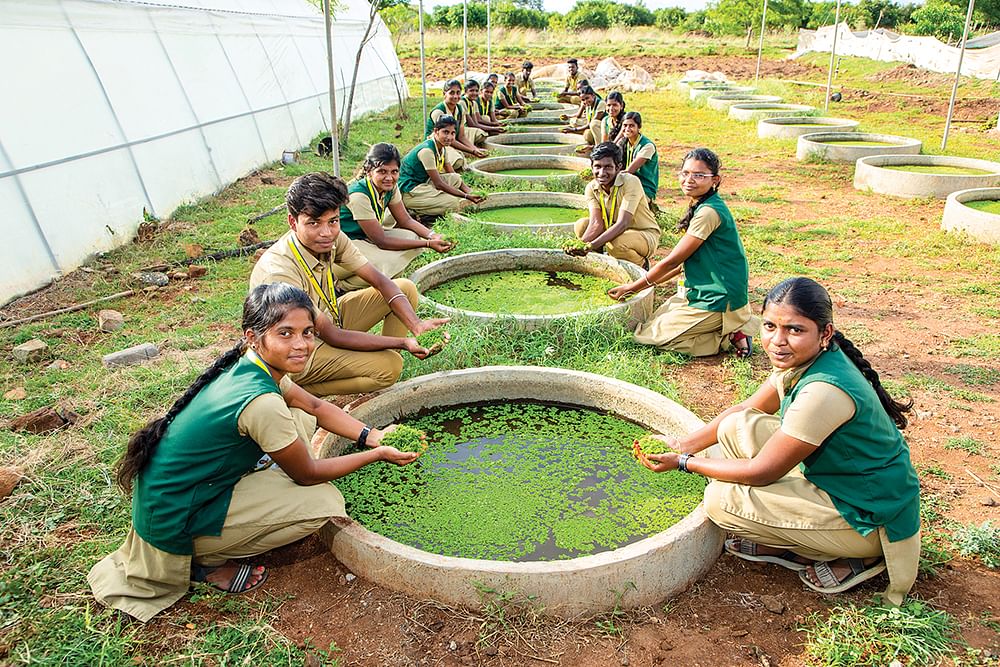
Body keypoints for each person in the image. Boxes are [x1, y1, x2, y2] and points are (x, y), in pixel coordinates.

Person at [88, 283, 422, 622]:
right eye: (285, 333)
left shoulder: (255, 366)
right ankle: (203, 560)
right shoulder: (262, 402)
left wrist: (373, 435)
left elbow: (315, 405)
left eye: (307, 332)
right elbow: (306, 474)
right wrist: (377, 455)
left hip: (191, 491)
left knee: (301, 413)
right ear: (253, 336)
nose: (301, 344)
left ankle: (242, 508)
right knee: (324, 502)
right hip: (177, 519)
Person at [637, 277, 921, 604]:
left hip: (868, 516)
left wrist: (685, 463)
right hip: (837, 479)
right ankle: (792, 535)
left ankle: (859, 556)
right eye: (770, 326)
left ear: (825, 333)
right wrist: (683, 443)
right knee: (736, 425)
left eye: (795, 330)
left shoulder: (823, 392)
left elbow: (762, 472)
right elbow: (746, 408)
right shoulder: (805, 360)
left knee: (721, 501)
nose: (778, 341)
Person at [250, 172, 448, 397]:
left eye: (333, 221)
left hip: (324, 321)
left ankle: (374, 358)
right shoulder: (279, 271)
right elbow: (332, 335)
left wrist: (416, 325)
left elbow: (380, 281)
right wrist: (404, 342)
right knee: (389, 367)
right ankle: (295, 389)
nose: (326, 233)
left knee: (404, 288)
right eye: (313, 223)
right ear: (293, 222)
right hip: (294, 351)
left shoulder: (333, 238)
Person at [608, 148, 756, 357]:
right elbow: (680, 265)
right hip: (699, 291)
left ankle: (728, 333)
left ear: (715, 180)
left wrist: (633, 287)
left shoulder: (709, 212)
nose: (689, 180)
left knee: (646, 338)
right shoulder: (700, 205)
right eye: (685, 173)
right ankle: (725, 328)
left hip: (720, 299)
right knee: (651, 323)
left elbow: (672, 261)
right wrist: (648, 285)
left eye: (698, 175)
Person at [337, 143, 454, 291]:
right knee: (384, 263)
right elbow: (381, 241)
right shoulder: (359, 195)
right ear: (368, 171)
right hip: (346, 243)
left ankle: (383, 270)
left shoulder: (390, 188)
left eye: (394, 172)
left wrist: (432, 235)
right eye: (382, 172)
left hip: (366, 237)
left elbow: (405, 220)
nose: (389, 177)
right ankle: (342, 286)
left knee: (411, 236)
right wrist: (428, 244)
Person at [571, 142, 661, 268]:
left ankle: (641, 266)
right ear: (591, 167)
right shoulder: (591, 187)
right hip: (615, 230)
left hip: (644, 234)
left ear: (618, 167)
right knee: (582, 226)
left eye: (608, 167)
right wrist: (579, 245)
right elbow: (596, 223)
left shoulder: (630, 182)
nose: (601, 173)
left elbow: (623, 223)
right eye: (597, 167)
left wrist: (590, 245)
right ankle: (601, 265)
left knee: (616, 244)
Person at [400, 115, 485, 218]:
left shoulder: (442, 147)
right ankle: (414, 209)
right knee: (453, 203)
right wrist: (466, 196)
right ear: (436, 131)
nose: (449, 137)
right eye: (445, 132)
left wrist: (470, 191)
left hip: (424, 182)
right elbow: (439, 184)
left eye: (453, 133)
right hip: (410, 191)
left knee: (456, 178)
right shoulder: (427, 151)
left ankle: (432, 201)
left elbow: (451, 173)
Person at [425, 79, 486, 165]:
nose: (455, 96)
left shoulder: (459, 109)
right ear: (444, 94)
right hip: (439, 143)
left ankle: (463, 151)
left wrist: (474, 149)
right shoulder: (439, 112)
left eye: (458, 93)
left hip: (452, 139)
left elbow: (461, 136)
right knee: (458, 161)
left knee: (481, 134)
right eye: (452, 93)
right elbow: (447, 138)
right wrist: (471, 150)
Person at [620, 112, 659, 203]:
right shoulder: (625, 142)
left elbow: (629, 171)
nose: (627, 129)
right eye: (625, 125)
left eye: (631, 126)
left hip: (644, 189)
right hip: (628, 184)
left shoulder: (647, 146)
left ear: (639, 127)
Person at [561, 85, 605, 151]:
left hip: (604, 130)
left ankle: (599, 148)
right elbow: (582, 117)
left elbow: (591, 124)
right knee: (575, 122)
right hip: (593, 127)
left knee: (589, 132)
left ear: (593, 95)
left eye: (587, 98)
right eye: (583, 100)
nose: (585, 101)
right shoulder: (587, 105)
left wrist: (574, 130)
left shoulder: (601, 104)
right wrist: (569, 118)